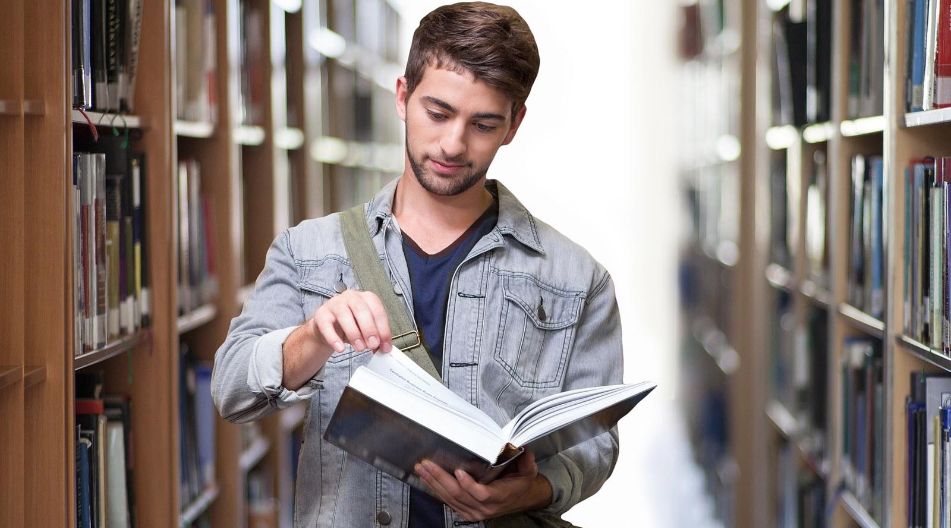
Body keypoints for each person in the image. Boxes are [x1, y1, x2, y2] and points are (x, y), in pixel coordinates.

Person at [212, 3, 624, 526]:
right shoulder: (308, 250)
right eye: (439, 112)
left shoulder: (577, 279)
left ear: (514, 125)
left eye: (484, 123)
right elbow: (231, 389)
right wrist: (311, 337)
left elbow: (597, 445)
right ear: (403, 96)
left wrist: (533, 490)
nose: (453, 143)